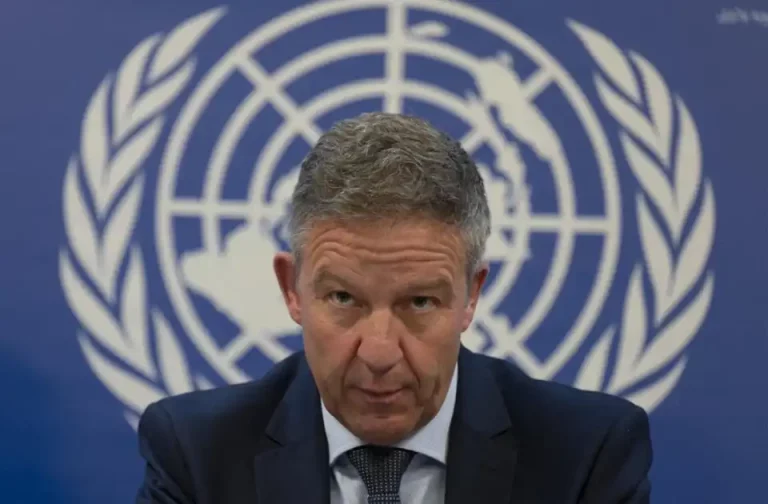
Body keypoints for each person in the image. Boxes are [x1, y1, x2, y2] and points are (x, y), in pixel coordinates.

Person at [135, 112, 652, 504]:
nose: (379, 353)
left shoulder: (585, 454)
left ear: (471, 296)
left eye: (420, 302)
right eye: (343, 298)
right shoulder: (197, 455)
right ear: (292, 289)